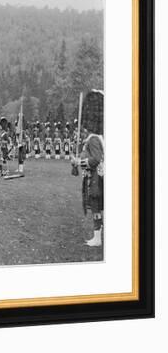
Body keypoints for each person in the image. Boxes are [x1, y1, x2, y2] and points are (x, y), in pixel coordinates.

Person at [72, 90, 104, 247]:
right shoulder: (94, 138)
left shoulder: (93, 139)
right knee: (97, 208)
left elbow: (96, 159)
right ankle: (98, 235)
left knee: (96, 207)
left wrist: (80, 162)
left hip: (96, 180)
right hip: (95, 178)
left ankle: (97, 238)